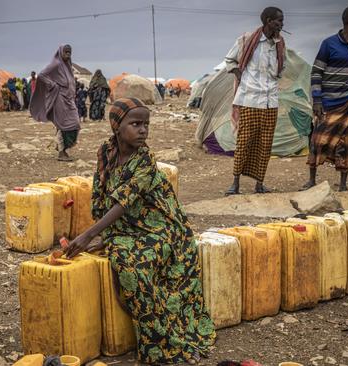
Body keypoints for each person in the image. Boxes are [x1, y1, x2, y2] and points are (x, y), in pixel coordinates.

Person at [64, 98, 216, 365]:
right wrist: (102, 233)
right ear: (116, 126)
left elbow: (125, 200)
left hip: (162, 227)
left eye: (146, 124)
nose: (143, 130)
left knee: (134, 267)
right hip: (127, 227)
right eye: (135, 124)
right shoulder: (106, 151)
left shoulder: (145, 158)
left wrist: (88, 234)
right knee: (120, 257)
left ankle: (161, 344)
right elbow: (100, 194)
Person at [303, 6, 348, 192]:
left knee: (346, 143)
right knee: (318, 140)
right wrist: (317, 99)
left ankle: (343, 183)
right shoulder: (329, 43)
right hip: (329, 102)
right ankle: (312, 180)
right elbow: (316, 72)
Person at [223, 6, 286, 195]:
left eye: (282, 21)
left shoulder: (280, 43)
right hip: (250, 98)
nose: (281, 24)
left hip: (271, 101)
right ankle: (235, 183)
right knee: (244, 141)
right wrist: (239, 74)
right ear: (268, 21)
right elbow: (229, 60)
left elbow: (283, 67)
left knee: (265, 143)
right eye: (278, 21)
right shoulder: (247, 40)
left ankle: (259, 183)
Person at [29, 45, 81, 161]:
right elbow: (42, 75)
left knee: (72, 124)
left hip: (68, 100)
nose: (68, 54)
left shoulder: (68, 66)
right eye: (66, 51)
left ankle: (60, 147)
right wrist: (53, 85)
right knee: (67, 125)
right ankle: (62, 153)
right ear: (61, 52)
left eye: (69, 52)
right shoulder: (56, 64)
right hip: (60, 99)